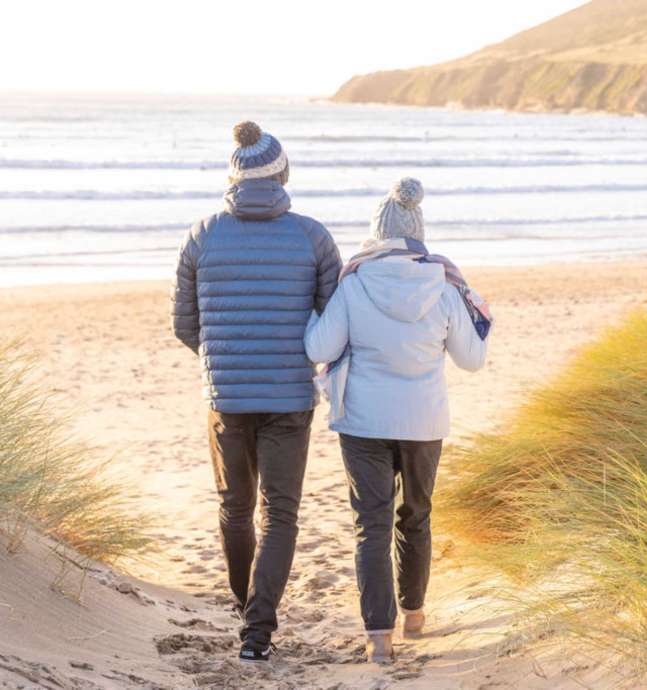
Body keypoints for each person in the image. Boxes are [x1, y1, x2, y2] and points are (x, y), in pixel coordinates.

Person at [171, 121, 341, 663]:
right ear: (283, 174)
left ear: (233, 176)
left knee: (235, 506)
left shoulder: (201, 235)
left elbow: (184, 325)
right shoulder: (312, 236)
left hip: (226, 396)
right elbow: (333, 321)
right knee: (282, 512)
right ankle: (257, 631)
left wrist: (225, 360)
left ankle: (247, 606)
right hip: (290, 395)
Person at [304, 177, 491, 663]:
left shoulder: (356, 282)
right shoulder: (445, 285)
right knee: (417, 516)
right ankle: (414, 613)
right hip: (425, 422)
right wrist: (471, 302)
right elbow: (471, 360)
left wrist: (310, 314)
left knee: (372, 525)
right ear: (417, 232)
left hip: (364, 420)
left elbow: (319, 348)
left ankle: (379, 637)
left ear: (375, 234)